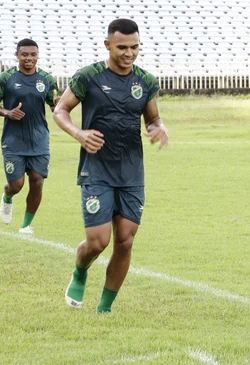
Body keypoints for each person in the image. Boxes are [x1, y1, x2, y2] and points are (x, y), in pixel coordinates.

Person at [53, 19, 168, 313]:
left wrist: (159, 128)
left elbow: (153, 118)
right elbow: (60, 110)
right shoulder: (89, 76)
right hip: (97, 169)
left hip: (131, 171)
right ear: (108, 45)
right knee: (98, 241)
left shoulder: (146, 81)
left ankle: (104, 309)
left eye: (134, 47)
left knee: (126, 241)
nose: (129, 53)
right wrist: (79, 133)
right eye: (122, 48)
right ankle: (80, 272)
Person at [0, 39, 59, 234]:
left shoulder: (47, 79)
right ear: (17, 55)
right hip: (13, 140)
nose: (29, 58)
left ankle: (25, 225)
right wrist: (7, 112)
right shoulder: (6, 78)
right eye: (25, 54)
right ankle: (7, 197)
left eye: (33, 55)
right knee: (16, 185)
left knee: (37, 181)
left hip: (39, 139)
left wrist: (58, 104)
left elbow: (54, 105)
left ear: (37, 55)